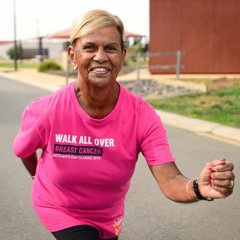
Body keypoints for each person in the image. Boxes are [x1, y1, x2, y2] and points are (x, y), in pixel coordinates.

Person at [12, 9, 235, 240]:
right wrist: (36, 175)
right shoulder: (46, 110)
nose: (100, 56)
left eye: (110, 48)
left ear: (122, 55)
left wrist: (199, 187)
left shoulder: (142, 116)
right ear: (72, 56)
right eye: (89, 47)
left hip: (109, 215)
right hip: (59, 208)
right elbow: (24, 150)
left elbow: (170, 181)